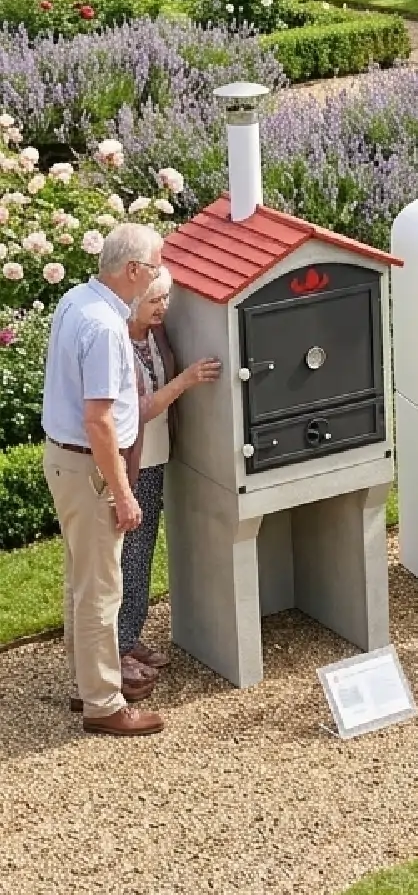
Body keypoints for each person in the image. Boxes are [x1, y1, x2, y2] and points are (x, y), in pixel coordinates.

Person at [42, 223, 165, 736]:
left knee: (81, 579)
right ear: (133, 271)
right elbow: (99, 420)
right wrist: (122, 492)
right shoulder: (109, 328)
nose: (159, 275)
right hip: (89, 468)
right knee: (101, 590)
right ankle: (104, 704)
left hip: (63, 460)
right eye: (155, 266)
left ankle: (86, 682)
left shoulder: (75, 300)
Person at [119, 268, 222, 678]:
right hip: (134, 463)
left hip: (157, 456)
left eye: (165, 299)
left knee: (141, 554)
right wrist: (187, 380)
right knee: (132, 556)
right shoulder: (120, 344)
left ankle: (129, 636)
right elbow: (138, 409)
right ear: (132, 303)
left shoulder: (155, 334)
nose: (163, 307)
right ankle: (118, 648)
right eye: (154, 300)